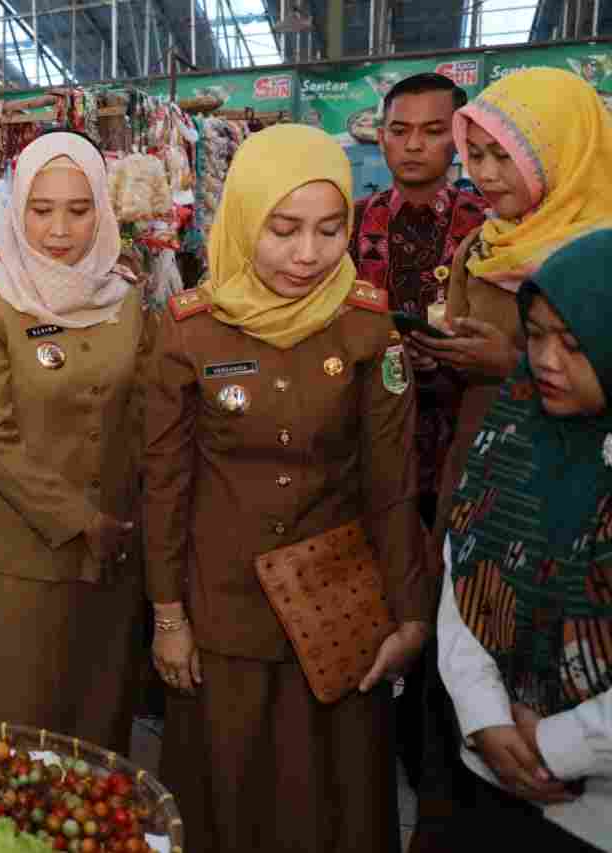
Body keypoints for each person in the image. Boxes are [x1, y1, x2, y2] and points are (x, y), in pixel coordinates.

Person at [143, 124, 433, 852]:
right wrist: (169, 614)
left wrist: (409, 615)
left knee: (332, 800)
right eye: (283, 229)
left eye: (330, 230)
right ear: (245, 218)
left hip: (337, 613)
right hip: (222, 607)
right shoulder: (191, 331)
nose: (308, 254)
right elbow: (166, 484)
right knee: (227, 787)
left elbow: (393, 483)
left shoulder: (366, 328)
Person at [0, 131, 146, 752]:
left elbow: (142, 417)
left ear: (102, 211)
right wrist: (83, 521)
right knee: (20, 730)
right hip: (19, 554)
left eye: (79, 210)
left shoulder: (125, 297)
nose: (59, 230)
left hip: (115, 550)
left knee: (101, 723)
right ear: (16, 210)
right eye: (41, 210)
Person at [438, 228, 612, 851]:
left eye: (574, 343)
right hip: (490, 775)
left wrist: (556, 745)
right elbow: (466, 567)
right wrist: (484, 716)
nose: (545, 360)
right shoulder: (518, 424)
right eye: (534, 335)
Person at [412, 69, 612, 537]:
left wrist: (512, 365)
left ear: (562, 152)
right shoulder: (480, 248)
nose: (484, 174)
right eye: (476, 154)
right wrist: (436, 358)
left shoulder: (601, 257)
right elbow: (456, 376)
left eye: (504, 156)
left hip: (576, 486)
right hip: (481, 471)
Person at [351, 72, 489, 524]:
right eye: (399, 130)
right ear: (381, 137)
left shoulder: (490, 228)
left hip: (463, 438)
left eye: (432, 131)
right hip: (365, 437)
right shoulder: (346, 224)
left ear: (458, 139)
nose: (413, 145)